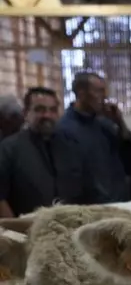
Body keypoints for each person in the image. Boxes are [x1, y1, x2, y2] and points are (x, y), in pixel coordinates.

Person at [0, 87, 101, 217]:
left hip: (73, 226)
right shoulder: (9, 149)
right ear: (26, 113)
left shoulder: (73, 146)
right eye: (39, 110)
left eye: (52, 110)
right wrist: (15, 229)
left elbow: (89, 191)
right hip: (27, 230)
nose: (47, 115)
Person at [57, 72, 130, 202]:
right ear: (81, 94)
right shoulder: (65, 130)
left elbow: (129, 155)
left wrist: (119, 122)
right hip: (92, 206)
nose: (105, 97)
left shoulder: (104, 124)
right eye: (99, 91)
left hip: (118, 200)